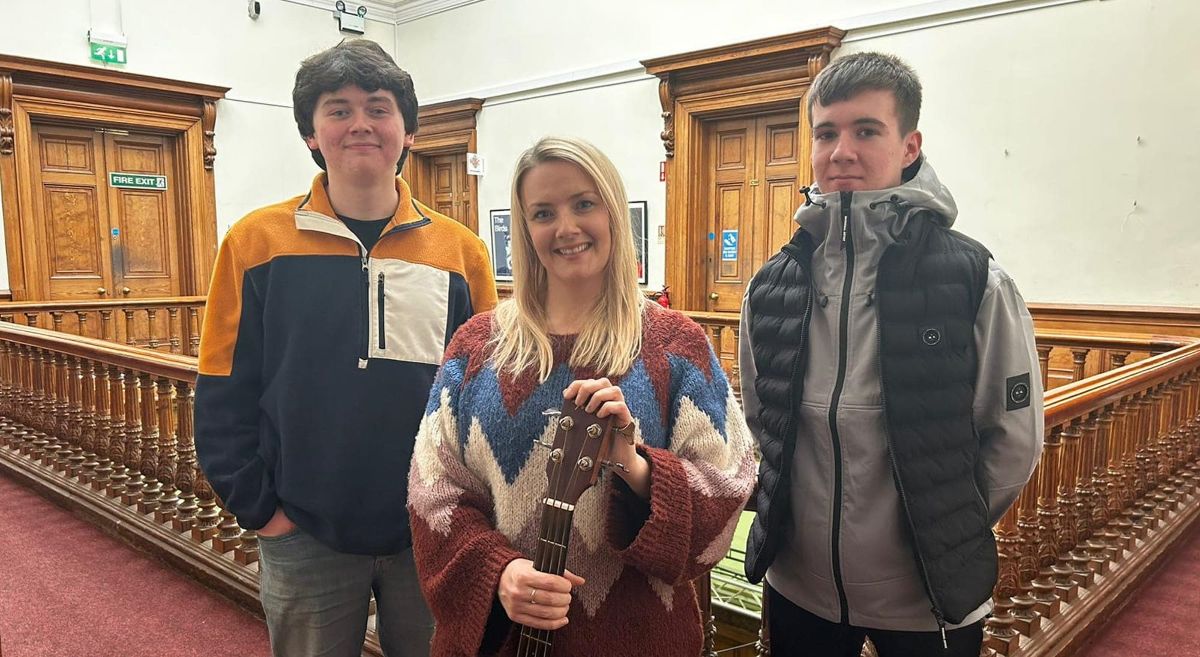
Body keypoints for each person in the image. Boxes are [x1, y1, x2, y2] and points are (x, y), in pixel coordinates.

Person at [194, 39, 496, 657]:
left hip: (434, 531)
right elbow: (222, 391)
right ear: (311, 132)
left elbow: (484, 396)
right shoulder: (256, 242)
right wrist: (264, 515)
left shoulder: (461, 253)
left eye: (378, 108)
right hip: (304, 534)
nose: (360, 123)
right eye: (338, 109)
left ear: (407, 131)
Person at [739, 52, 1044, 657]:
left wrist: (941, 529)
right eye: (826, 133)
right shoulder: (773, 284)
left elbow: (1013, 439)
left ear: (910, 145)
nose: (840, 151)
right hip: (799, 587)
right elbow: (759, 422)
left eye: (866, 130)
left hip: (926, 594)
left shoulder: (973, 279)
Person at [408, 136, 756, 656]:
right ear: (525, 230)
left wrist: (634, 467)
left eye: (584, 204)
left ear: (613, 211)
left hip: (640, 640)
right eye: (543, 212)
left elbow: (727, 489)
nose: (566, 228)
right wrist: (500, 575)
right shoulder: (476, 347)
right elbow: (432, 494)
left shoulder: (676, 345)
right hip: (506, 641)